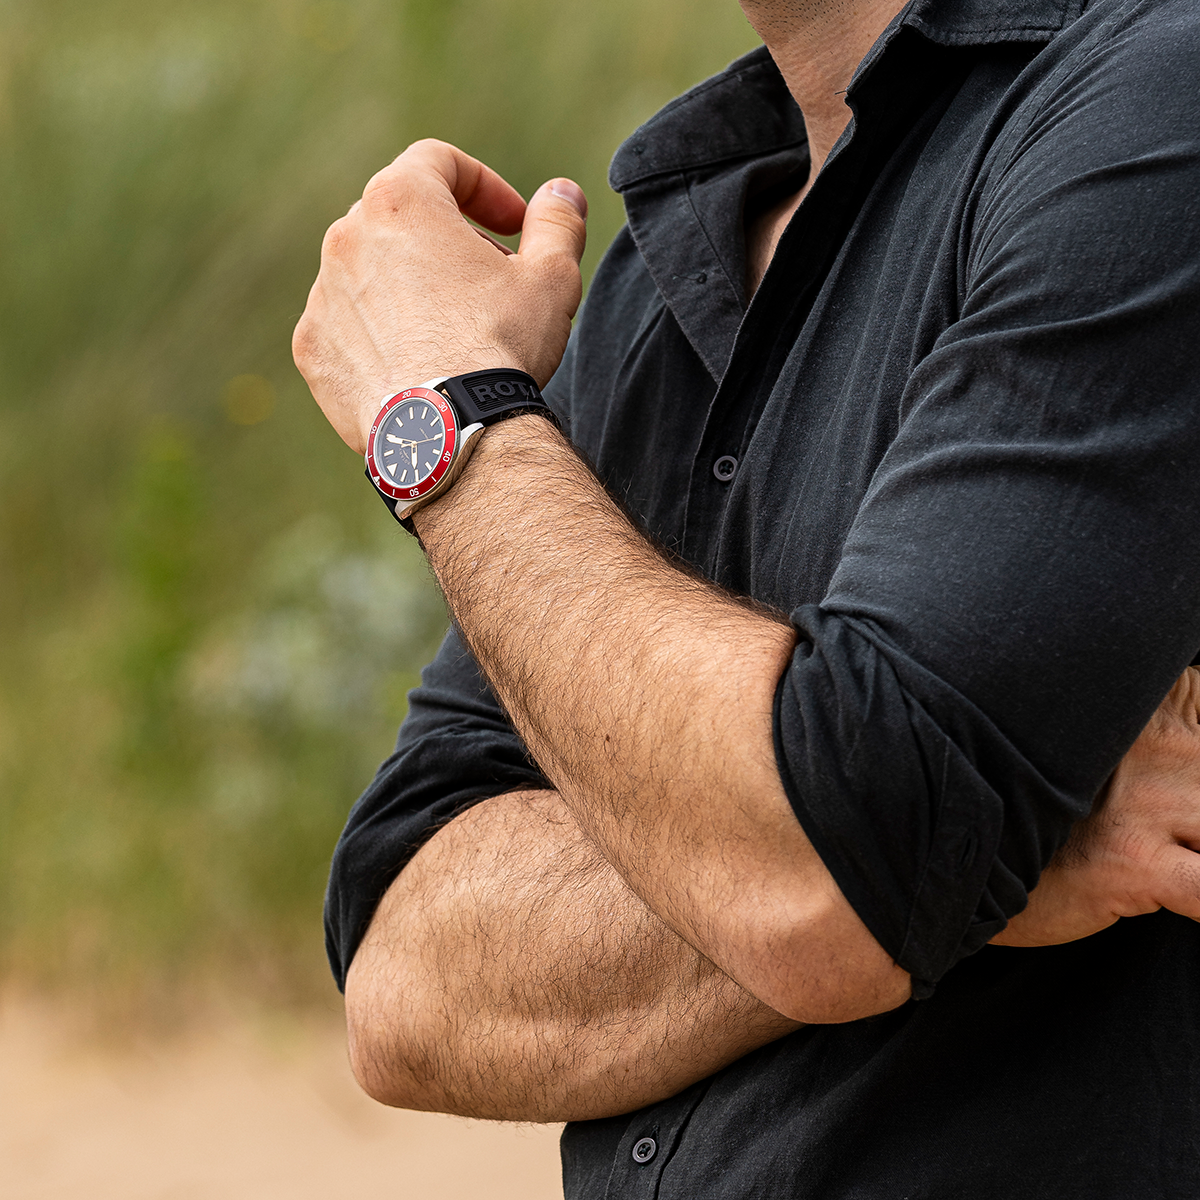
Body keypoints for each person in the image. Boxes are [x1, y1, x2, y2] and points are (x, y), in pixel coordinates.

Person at [293, 0, 1200, 1194]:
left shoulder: (1155, 103)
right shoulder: (682, 244)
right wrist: (953, 866)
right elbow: (407, 984)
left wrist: (448, 416)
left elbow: (827, 871)